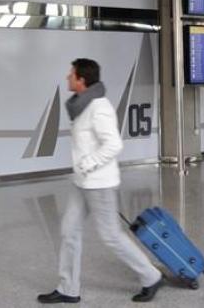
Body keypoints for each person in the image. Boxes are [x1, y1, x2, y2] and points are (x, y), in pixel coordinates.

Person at [38, 59, 164, 304]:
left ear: (82, 80)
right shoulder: (82, 105)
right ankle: (68, 289)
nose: (67, 77)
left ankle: (151, 276)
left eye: (71, 74)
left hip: (100, 183)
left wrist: (88, 163)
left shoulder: (99, 107)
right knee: (69, 231)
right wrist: (82, 169)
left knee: (111, 236)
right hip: (82, 182)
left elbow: (114, 144)